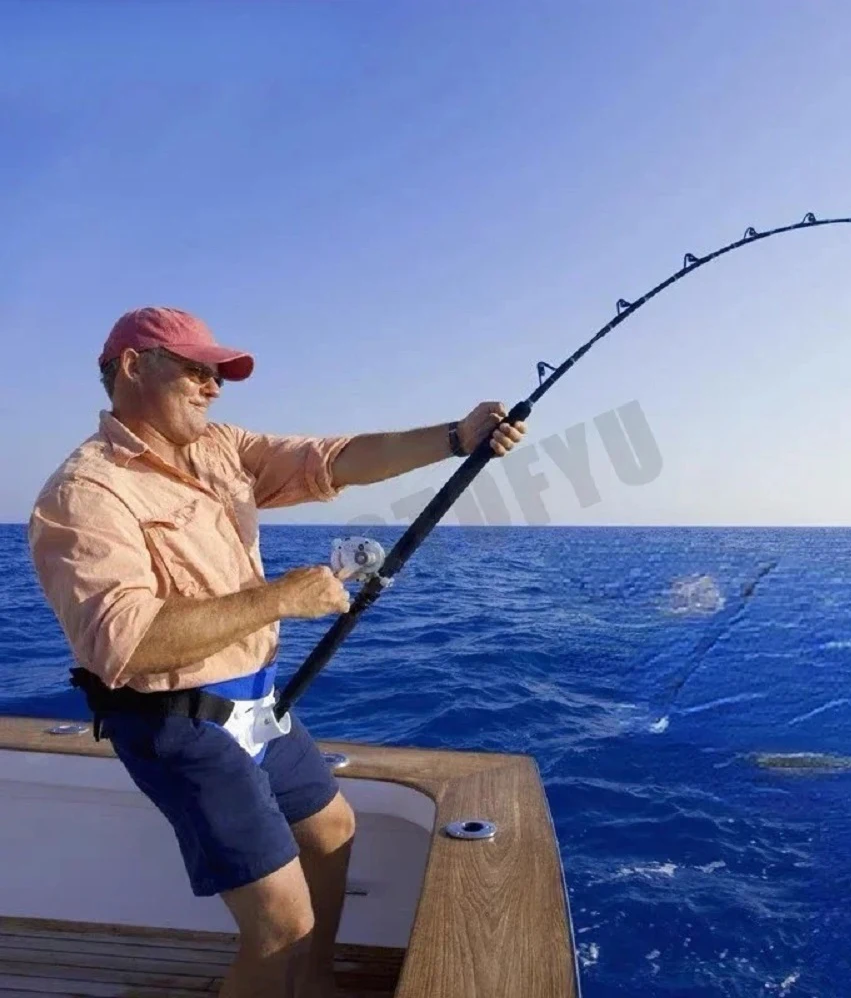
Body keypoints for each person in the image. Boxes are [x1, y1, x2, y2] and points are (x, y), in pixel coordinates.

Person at [27, 306, 527, 997]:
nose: (214, 386)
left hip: (260, 701)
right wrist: (280, 598)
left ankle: (311, 986)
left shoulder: (220, 449)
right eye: (197, 370)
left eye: (218, 374)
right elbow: (124, 642)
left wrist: (455, 437)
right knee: (281, 925)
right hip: (177, 720)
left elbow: (333, 459)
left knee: (333, 828)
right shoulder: (86, 492)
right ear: (134, 367)